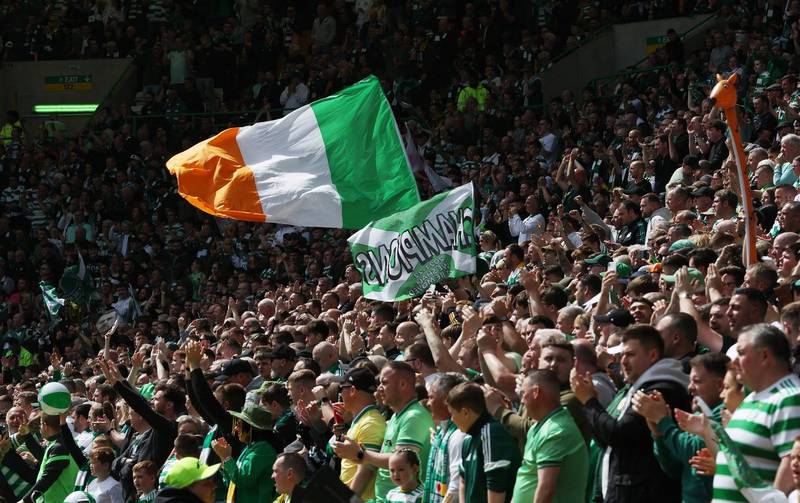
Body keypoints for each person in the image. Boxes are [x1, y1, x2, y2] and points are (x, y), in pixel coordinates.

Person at [570, 324, 691, 502]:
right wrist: (590, 402)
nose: (623, 362)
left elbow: (619, 436)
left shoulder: (660, 390)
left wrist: (589, 401)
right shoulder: (632, 389)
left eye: (630, 355)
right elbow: (605, 440)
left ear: (653, 355)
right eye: (622, 355)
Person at [713, 323, 800, 501]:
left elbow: (792, 470)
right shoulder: (753, 398)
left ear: (765, 356)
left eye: (742, 352)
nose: (734, 361)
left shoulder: (789, 399)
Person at [333, 361, 433, 503]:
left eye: (384, 383)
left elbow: (402, 463)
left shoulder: (414, 416)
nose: (378, 389)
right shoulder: (395, 417)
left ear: (403, 384)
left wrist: (360, 454)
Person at [513, 369, 588, 503]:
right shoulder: (539, 426)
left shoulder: (555, 431)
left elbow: (546, 489)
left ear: (535, 392)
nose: (522, 402)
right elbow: (525, 474)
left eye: (524, 394)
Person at [447, 383, 520, 503]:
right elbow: (463, 480)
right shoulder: (468, 440)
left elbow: (497, 483)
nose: (452, 419)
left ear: (465, 412)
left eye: (452, 413)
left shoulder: (491, 433)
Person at [332, 367, 385, 501]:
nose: (340, 395)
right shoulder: (363, 420)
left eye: (341, 389)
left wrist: (346, 500)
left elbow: (367, 470)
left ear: (352, 390)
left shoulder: (370, 423)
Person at [211, 403, 278, 503]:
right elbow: (232, 483)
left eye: (239, 424)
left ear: (251, 428)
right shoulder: (252, 448)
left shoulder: (263, 450)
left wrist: (227, 458)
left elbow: (242, 480)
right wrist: (223, 457)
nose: (236, 429)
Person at [422, 373, 467, 503]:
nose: (428, 403)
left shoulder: (459, 435)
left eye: (431, 397)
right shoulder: (442, 432)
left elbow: (456, 486)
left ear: (446, 399)